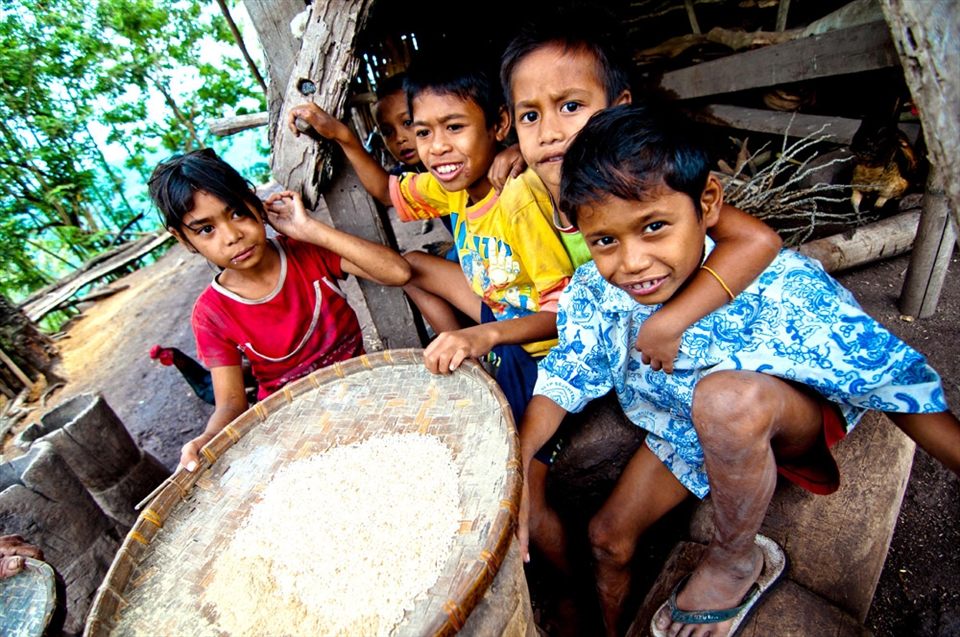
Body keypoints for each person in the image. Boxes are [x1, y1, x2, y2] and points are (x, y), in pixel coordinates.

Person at [519, 103, 960, 637]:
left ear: (707, 204)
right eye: (605, 240)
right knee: (606, 538)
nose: (631, 262)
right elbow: (564, 375)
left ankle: (735, 560)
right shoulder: (597, 292)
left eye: (654, 227)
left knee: (726, 401)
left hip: (771, 417)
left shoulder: (776, 283)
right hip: (682, 432)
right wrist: (518, 466)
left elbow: (887, 373)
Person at [148, 149, 410, 472]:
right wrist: (208, 438)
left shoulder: (306, 254)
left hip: (367, 392)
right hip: (293, 430)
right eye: (205, 230)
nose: (232, 237)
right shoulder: (211, 313)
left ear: (255, 202)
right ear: (183, 239)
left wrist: (310, 230)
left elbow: (398, 272)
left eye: (237, 213)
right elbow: (231, 404)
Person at [387, 55, 576, 429]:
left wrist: (482, 336)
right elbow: (385, 191)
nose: (437, 147)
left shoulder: (519, 197)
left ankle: (471, 348)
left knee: (516, 443)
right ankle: (466, 356)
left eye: (454, 126)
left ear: (500, 123)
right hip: (500, 307)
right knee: (410, 266)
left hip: (539, 344)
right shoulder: (452, 183)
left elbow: (565, 317)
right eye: (423, 132)